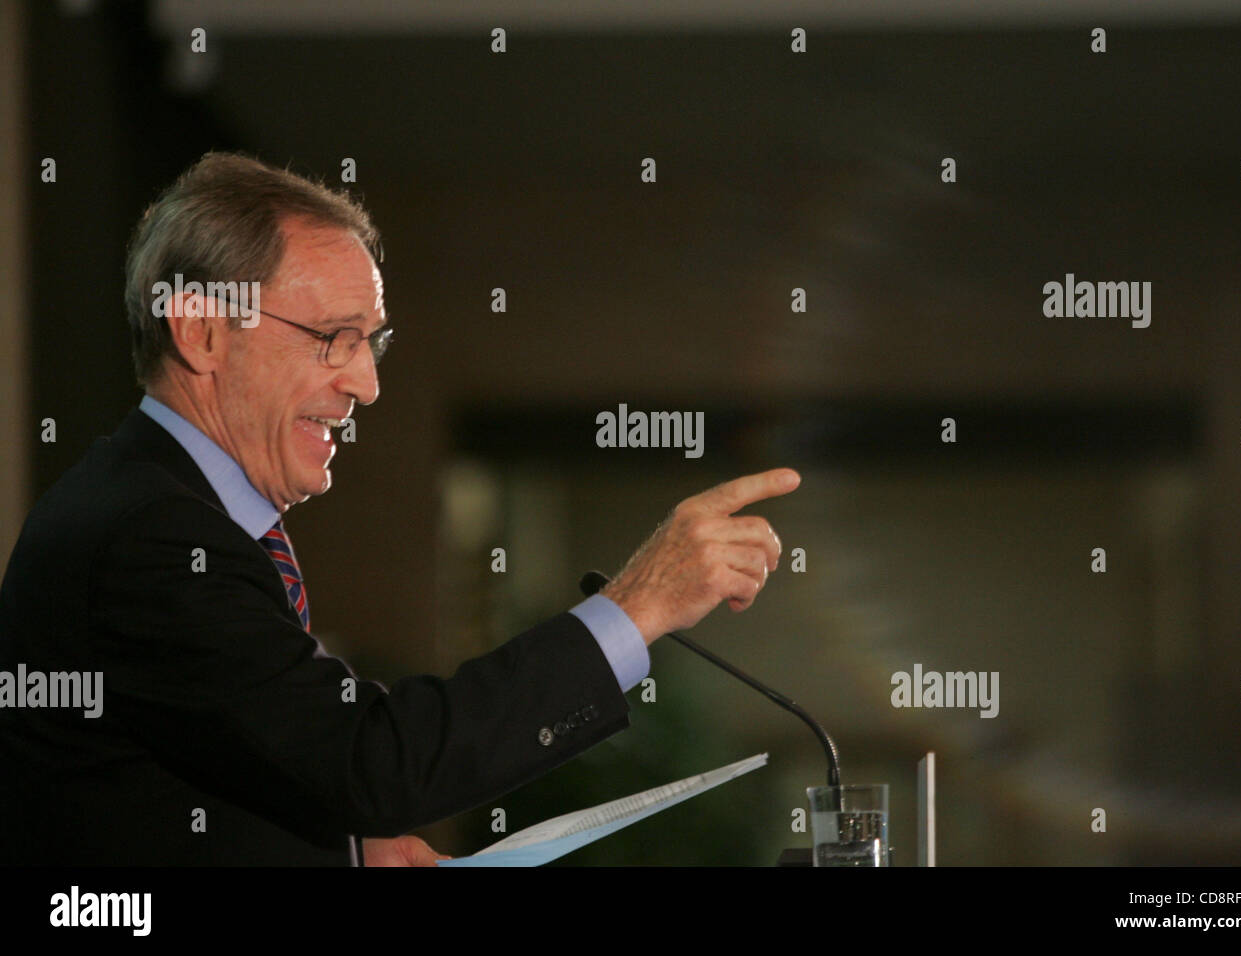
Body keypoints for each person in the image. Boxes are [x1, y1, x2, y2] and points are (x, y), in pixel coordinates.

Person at [0, 152, 800, 866]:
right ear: (203, 331)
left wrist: (349, 851)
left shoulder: (164, 510)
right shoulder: (151, 536)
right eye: (332, 337)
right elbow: (368, 762)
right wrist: (637, 605)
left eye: (371, 343)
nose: (366, 384)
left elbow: (241, 772)